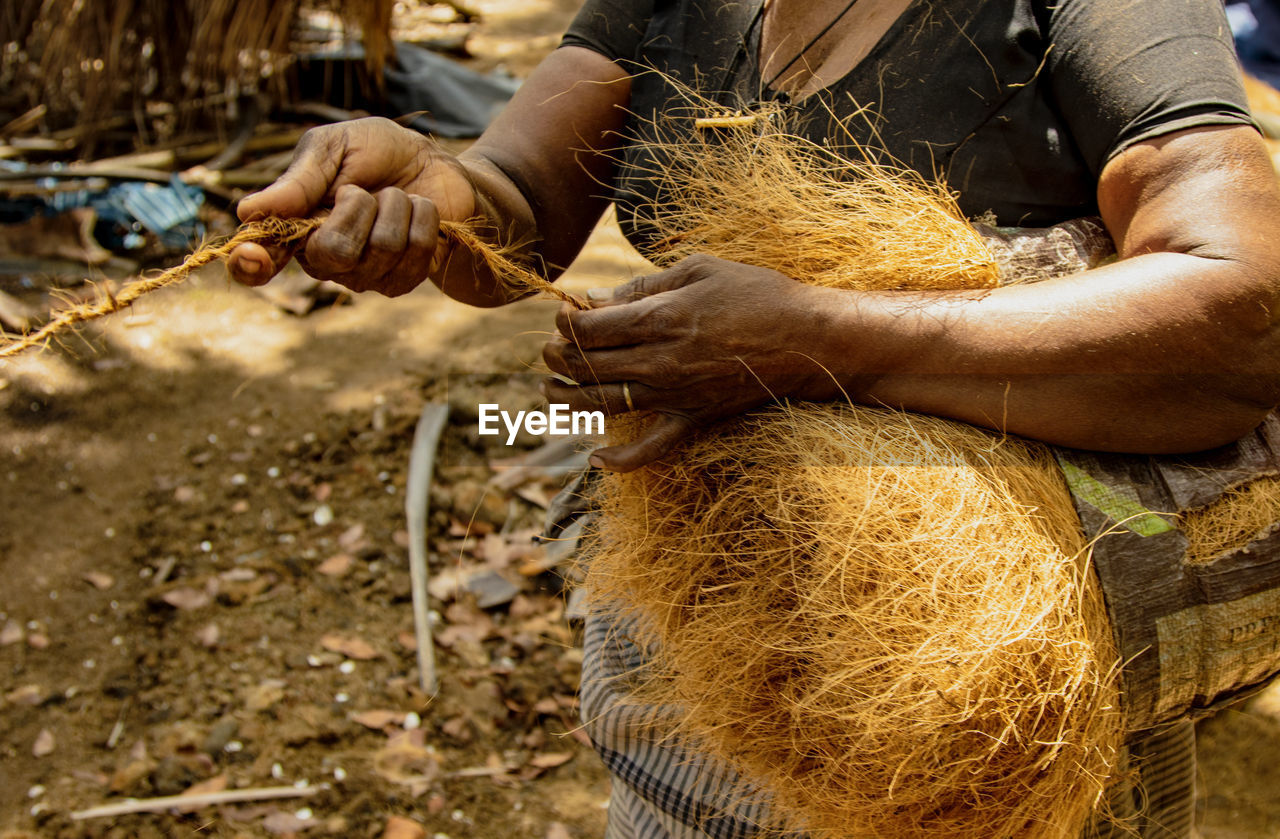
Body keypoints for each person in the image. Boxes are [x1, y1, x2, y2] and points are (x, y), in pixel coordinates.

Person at [229, 1, 1280, 836]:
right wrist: (438, 189)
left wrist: (826, 340)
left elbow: (1238, 312)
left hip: (995, 690)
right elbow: (519, 199)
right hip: (697, 644)